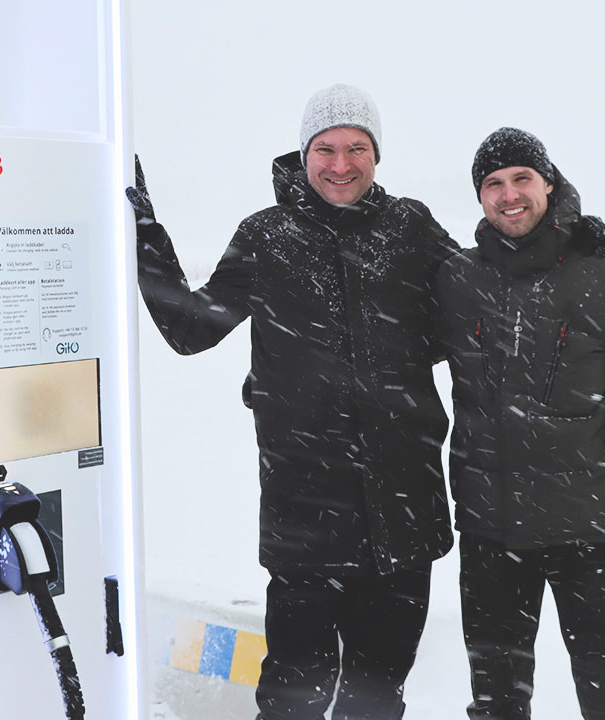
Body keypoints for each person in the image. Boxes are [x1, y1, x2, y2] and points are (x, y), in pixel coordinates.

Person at [127, 83, 458, 720]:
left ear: (377, 154)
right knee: (291, 700)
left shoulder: (410, 228)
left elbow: (475, 315)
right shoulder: (267, 237)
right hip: (306, 520)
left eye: (356, 147)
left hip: (404, 516)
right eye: (326, 148)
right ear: (302, 155)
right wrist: (142, 229)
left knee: (377, 698)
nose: (341, 164)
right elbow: (192, 326)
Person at [437, 127, 605, 720]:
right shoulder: (457, 280)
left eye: (521, 179)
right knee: (496, 704)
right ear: (479, 198)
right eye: (493, 184)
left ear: (548, 184)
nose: (509, 196)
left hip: (591, 530)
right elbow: (387, 342)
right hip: (490, 533)